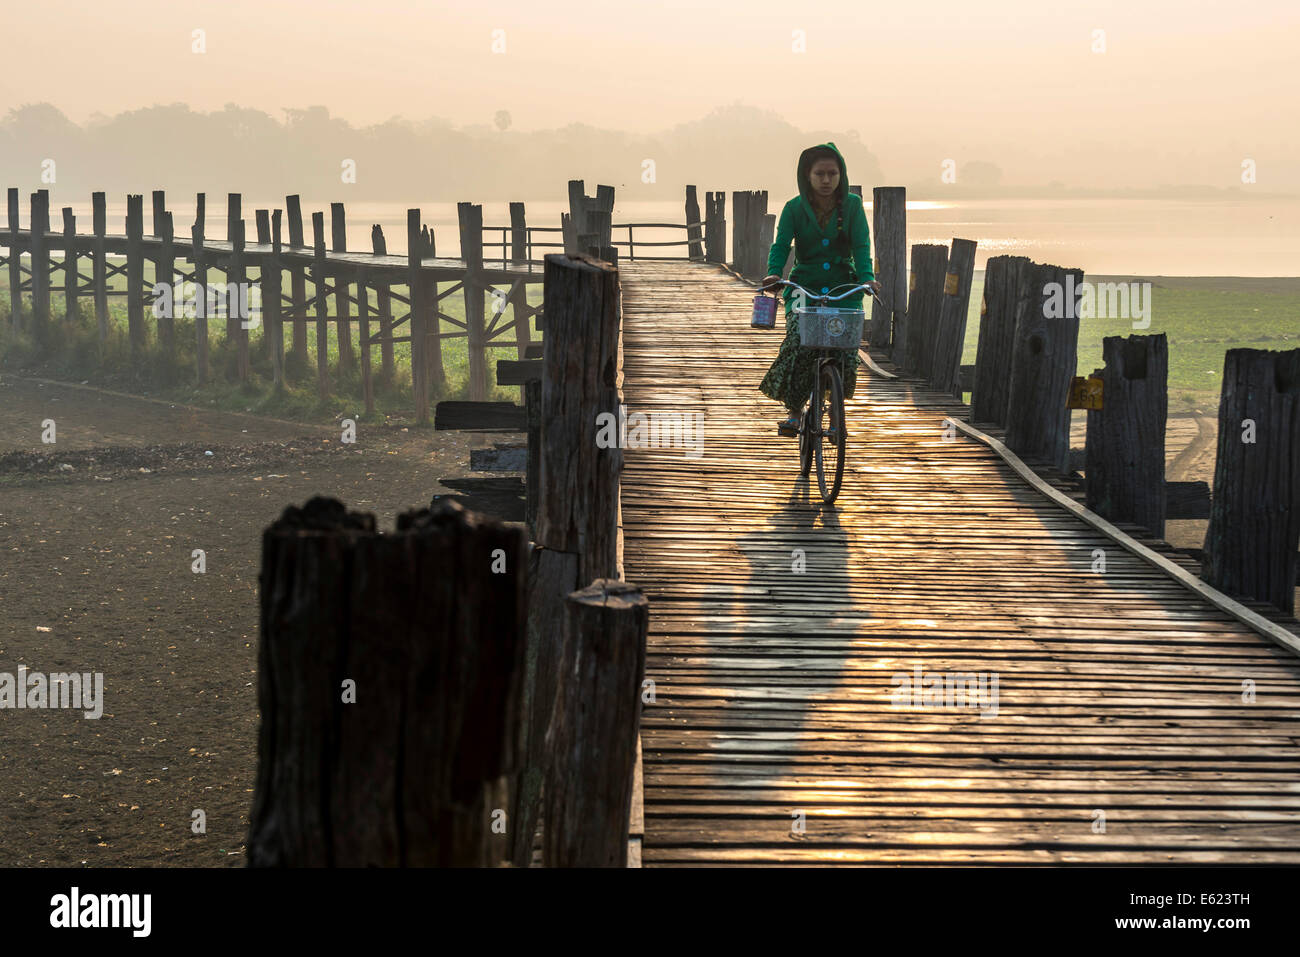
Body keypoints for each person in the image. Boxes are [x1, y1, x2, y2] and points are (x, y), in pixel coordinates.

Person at [758, 142, 880, 436]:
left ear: (842, 175)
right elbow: (781, 245)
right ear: (807, 176)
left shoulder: (852, 206)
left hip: (845, 286)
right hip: (803, 286)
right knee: (799, 342)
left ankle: (837, 409)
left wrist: (867, 277)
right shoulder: (793, 208)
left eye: (833, 173)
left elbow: (862, 246)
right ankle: (794, 412)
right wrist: (774, 273)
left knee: (845, 349)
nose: (827, 180)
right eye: (820, 174)